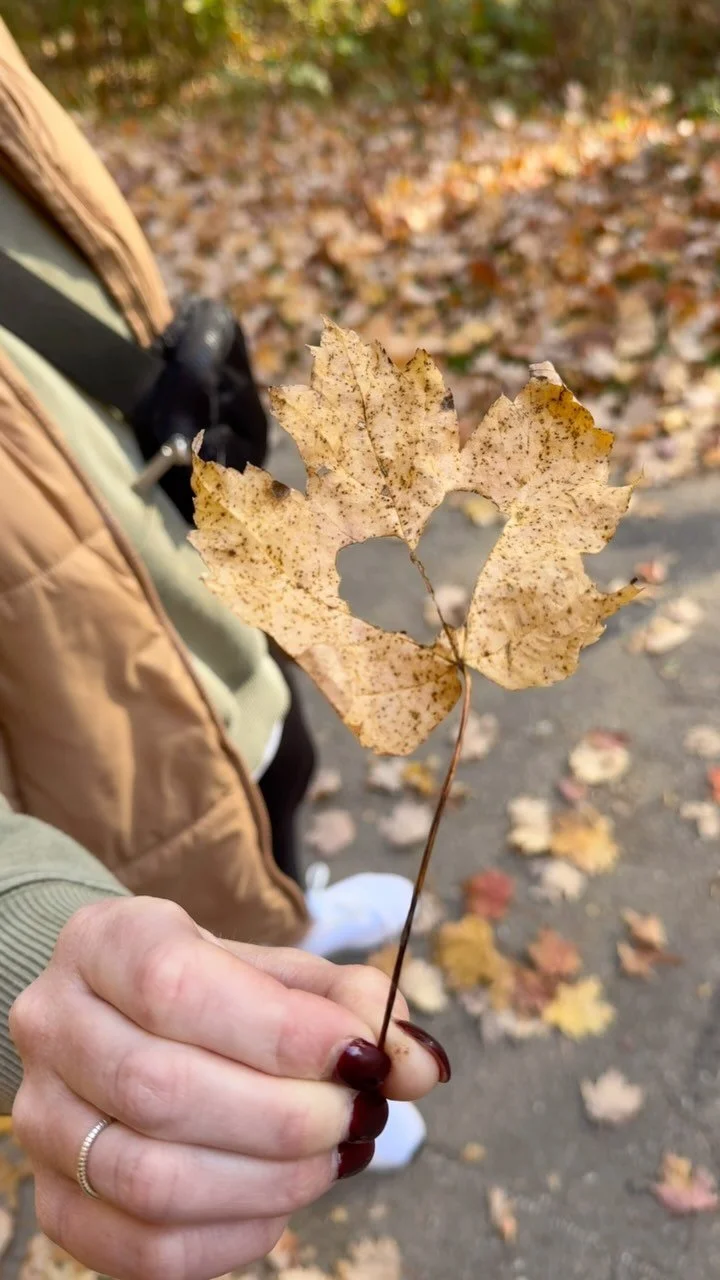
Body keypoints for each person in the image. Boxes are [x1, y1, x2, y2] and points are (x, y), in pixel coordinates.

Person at [0, 19, 448, 1275]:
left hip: (162, 567)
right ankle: (281, 1037)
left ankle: (294, 918)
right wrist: (28, 935)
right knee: (185, 875)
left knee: (271, 763)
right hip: (67, 712)